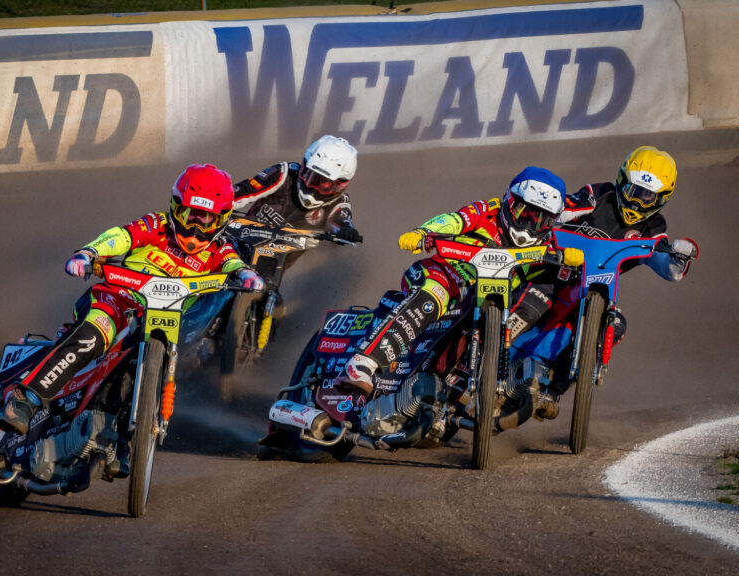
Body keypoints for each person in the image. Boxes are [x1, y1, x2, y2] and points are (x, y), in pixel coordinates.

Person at [0, 163, 265, 435]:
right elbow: (121, 237)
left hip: (166, 318)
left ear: (222, 220)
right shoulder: (157, 225)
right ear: (175, 208)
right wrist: (89, 253)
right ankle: (25, 400)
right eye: (191, 215)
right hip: (119, 300)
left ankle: (118, 435)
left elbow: (233, 263)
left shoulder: (220, 249)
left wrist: (245, 274)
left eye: (207, 219)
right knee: (93, 335)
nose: (197, 227)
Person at [337, 166, 569, 396]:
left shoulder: (545, 245)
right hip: (444, 273)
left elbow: (561, 272)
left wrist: (572, 261)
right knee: (433, 296)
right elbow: (454, 220)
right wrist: (422, 232)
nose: (529, 225)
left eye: (540, 220)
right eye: (524, 213)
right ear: (510, 201)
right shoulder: (488, 210)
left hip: (484, 301)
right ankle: (362, 363)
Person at [513, 146, 699, 420]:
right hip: (550, 275)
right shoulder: (598, 194)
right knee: (530, 305)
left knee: (615, 324)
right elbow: (564, 209)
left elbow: (668, 268)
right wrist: (563, 211)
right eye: (634, 191)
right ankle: (479, 357)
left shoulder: (654, 227)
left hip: (592, 293)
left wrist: (682, 253)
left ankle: (551, 391)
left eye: (648, 196)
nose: (637, 202)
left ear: (661, 199)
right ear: (621, 182)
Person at [232, 134, 362, 245]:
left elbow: (343, 221)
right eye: (312, 177)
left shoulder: (338, 203)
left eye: (325, 183)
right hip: (235, 241)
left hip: (269, 267)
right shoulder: (285, 173)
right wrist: (219, 201)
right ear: (304, 167)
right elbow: (245, 190)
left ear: (342, 184)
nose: (313, 188)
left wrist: (347, 231)